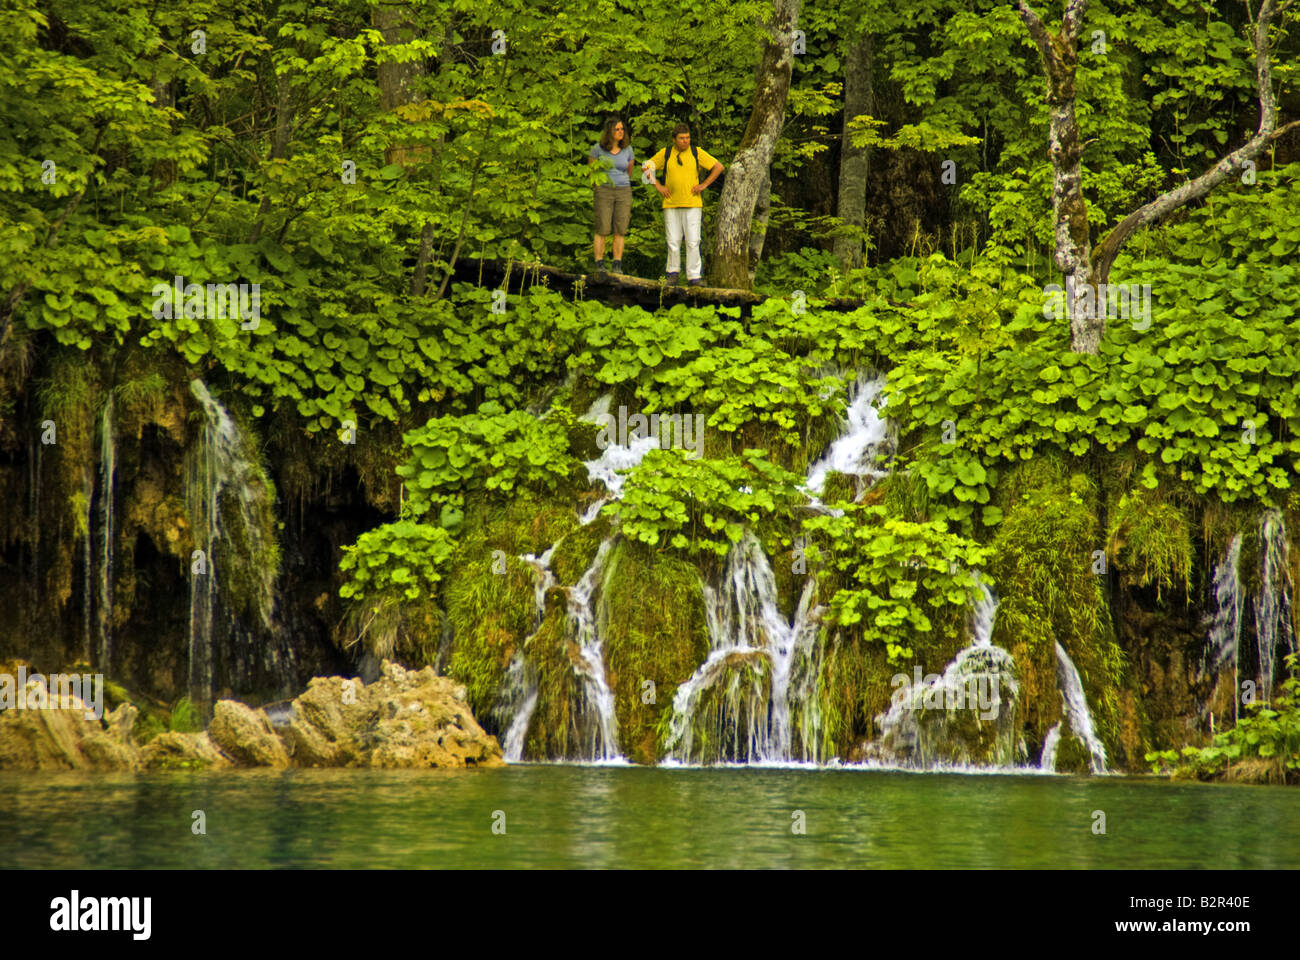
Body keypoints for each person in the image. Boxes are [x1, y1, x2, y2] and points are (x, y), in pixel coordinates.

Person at [640, 123, 724, 287]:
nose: (685, 141)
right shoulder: (667, 153)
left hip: (692, 203)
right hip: (671, 204)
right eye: (681, 138)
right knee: (673, 240)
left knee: (693, 240)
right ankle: (672, 273)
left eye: (687, 138)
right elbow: (645, 166)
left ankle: (694, 277)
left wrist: (704, 184)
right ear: (674, 139)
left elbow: (718, 167)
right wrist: (658, 186)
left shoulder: (696, 152)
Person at [587, 116, 634, 274]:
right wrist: (599, 186)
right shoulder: (597, 149)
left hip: (623, 191)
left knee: (620, 228)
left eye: (622, 129)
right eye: (617, 129)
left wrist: (622, 182)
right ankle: (599, 263)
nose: (621, 132)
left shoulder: (628, 149)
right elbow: (592, 171)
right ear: (609, 132)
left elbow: (629, 171)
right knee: (602, 227)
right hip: (604, 190)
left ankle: (617, 264)